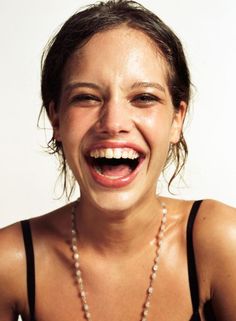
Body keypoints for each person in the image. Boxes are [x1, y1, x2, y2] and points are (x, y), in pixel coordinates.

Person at [0, 0, 236, 320]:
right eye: (86, 97)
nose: (113, 122)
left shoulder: (221, 240)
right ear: (56, 119)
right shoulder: (9, 262)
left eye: (143, 98)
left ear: (177, 119)